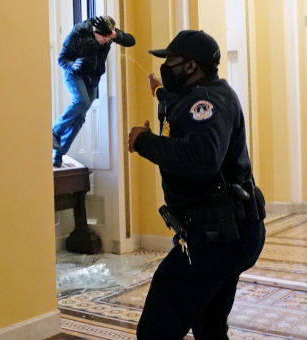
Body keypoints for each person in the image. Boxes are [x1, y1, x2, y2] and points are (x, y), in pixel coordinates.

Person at [127, 30, 266, 340]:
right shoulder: (205, 92)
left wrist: (144, 141)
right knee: (210, 326)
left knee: (156, 330)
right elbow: (184, 107)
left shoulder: (206, 100)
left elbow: (201, 159)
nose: (166, 66)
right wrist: (161, 92)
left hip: (216, 238)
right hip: (231, 232)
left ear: (190, 66)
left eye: (170, 61)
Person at [53, 16, 135, 167]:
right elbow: (61, 59)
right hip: (74, 73)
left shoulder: (109, 34)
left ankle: (58, 153)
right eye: (102, 37)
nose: (105, 41)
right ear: (93, 31)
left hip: (92, 78)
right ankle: (54, 131)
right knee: (82, 101)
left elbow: (131, 41)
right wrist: (72, 66)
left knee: (80, 117)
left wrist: (116, 35)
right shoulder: (79, 33)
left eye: (108, 38)